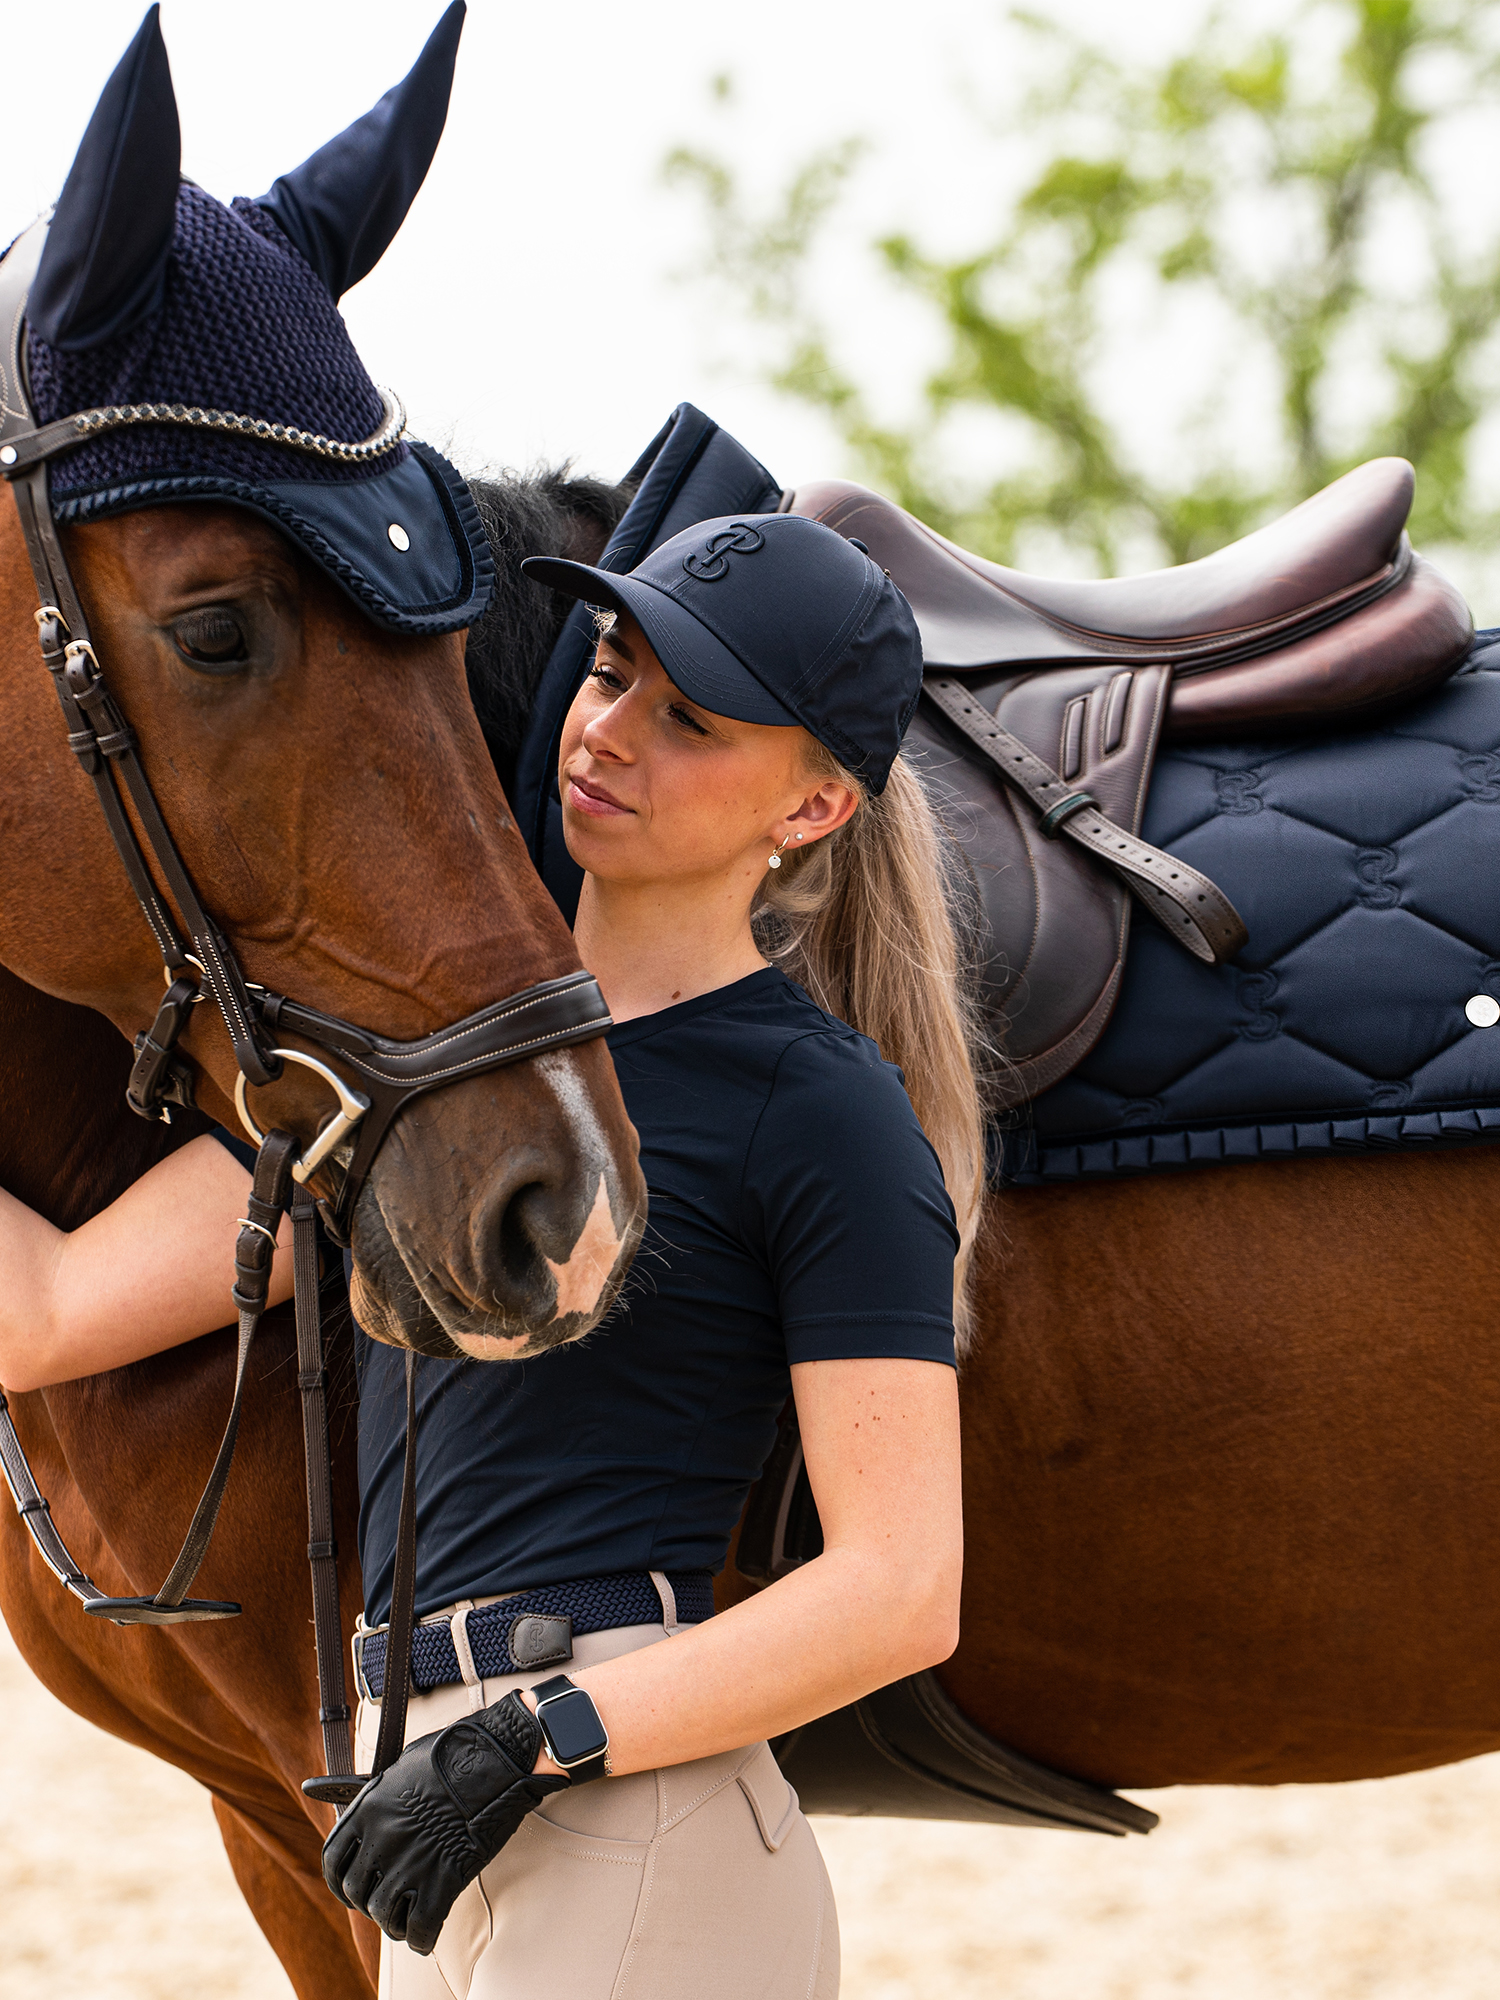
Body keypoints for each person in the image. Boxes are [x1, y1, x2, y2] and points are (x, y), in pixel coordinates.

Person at [0, 511, 985, 1999]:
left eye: (692, 721)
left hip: (622, 1815)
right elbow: (41, 1308)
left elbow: (903, 1589)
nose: (610, 732)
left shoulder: (821, 1110)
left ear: (814, 808)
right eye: (612, 670)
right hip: (438, 1810)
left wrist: (537, 1740)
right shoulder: (431, 1094)